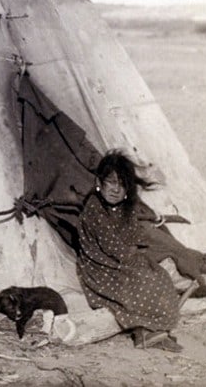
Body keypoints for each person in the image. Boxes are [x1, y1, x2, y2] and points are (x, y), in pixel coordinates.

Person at [76, 150, 182, 352]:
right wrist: (133, 255)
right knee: (140, 282)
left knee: (159, 276)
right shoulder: (94, 209)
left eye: (122, 184)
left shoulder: (127, 207)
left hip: (122, 257)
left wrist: (136, 254)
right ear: (99, 182)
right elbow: (111, 246)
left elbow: (135, 234)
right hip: (100, 264)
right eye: (111, 182)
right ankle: (144, 332)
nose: (116, 189)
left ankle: (152, 330)